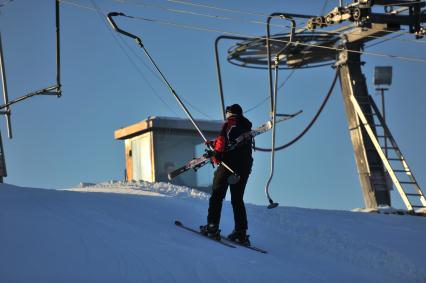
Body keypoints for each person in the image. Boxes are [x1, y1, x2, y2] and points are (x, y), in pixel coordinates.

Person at [200, 104, 253, 245]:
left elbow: (224, 140)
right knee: (237, 198)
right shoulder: (247, 128)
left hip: (228, 165)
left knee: (217, 195)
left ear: (229, 113)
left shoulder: (229, 123)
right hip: (244, 168)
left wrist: (216, 155)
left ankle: (212, 226)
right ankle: (241, 232)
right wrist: (213, 143)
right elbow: (232, 141)